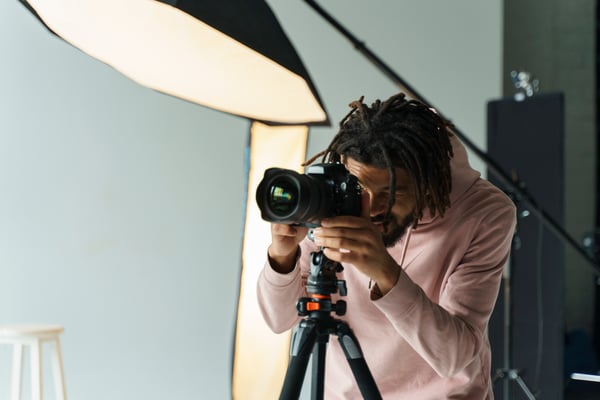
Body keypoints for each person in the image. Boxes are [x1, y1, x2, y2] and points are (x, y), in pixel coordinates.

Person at [256, 92, 516, 399]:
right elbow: (279, 320)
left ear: (428, 184)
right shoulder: (336, 197)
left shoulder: (484, 212)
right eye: (360, 187)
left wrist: (385, 272)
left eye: (393, 192)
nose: (374, 207)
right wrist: (282, 257)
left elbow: (454, 357)